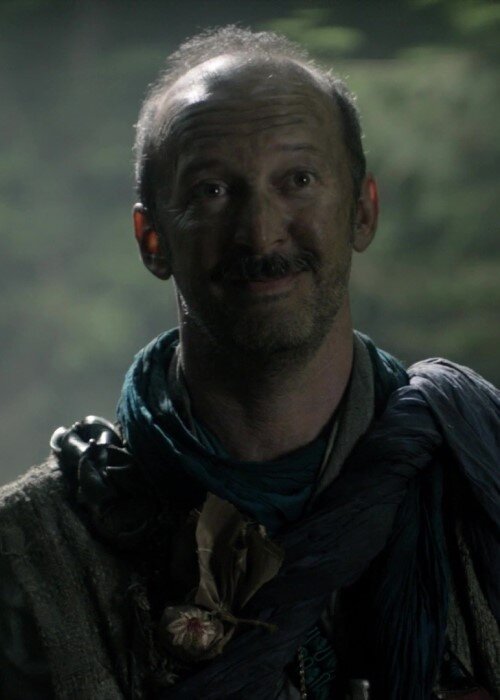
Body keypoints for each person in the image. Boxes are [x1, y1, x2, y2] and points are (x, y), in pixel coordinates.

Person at [0, 26, 498, 700]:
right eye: (211, 191)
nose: (260, 234)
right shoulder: (28, 564)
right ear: (152, 240)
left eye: (298, 180)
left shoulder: (479, 486)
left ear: (362, 211)